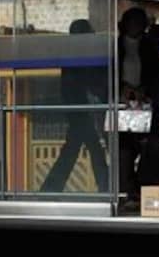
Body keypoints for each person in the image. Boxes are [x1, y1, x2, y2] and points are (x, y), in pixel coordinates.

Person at [40, 19, 109, 194]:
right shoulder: (79, 57)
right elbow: (79, 86)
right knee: (92, 149)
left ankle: (51, 188)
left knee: (80, 149)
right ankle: (105, 187)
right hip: (84, 111)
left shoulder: (76, 56)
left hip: (84, 110)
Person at [116, 8, 159, 210]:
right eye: (133, 22)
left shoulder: (148, 46)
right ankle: (126, 191)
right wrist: (124, 88)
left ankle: (144, 189)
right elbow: (108, 74)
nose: (136, 27)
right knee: (124, 149)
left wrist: (144, 90)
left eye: (140, 23)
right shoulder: (117, 46)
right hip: (121, 102)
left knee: (148, 146)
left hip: (145, 101)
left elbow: (155, 72)